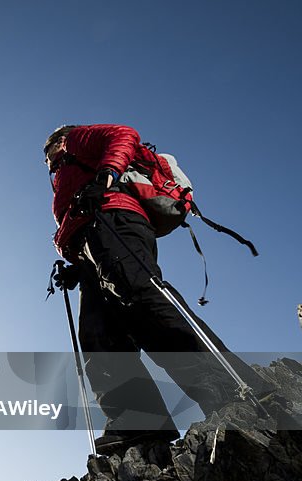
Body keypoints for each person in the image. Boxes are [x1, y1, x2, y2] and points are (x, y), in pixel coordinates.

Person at [44, 124, 265, 455]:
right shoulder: (65, 171)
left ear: (58, 141)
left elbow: (123, 135)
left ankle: (226, 386)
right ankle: (140, 422)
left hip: (112, 218)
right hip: (90, 244)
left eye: (47, 153)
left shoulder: (77, 138)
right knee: (98, 335)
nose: (46, 162)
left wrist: (107, 174)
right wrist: (76, 264)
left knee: (141, 296)